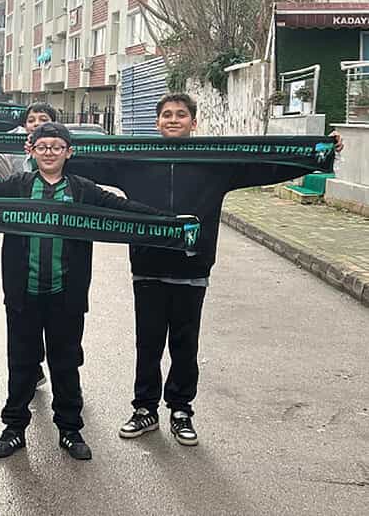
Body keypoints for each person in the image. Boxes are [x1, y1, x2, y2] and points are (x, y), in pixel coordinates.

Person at [76, 93, 344, 447]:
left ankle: (181, 411)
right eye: (167, 115)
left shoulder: (214, 162)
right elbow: (88, 163)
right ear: (157, 122)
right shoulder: (136, 161)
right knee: (148, 344)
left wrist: (316, 155)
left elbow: (267, 165)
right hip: (148, 267)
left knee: (185, 345)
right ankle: (144, 409)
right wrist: (46, 149)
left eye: (181, 114)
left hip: (193, 267)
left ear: (193, 122)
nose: (173, 120)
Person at [0, 122, 173, 461]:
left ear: (69, 152)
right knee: (21, 363)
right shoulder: (18, 186)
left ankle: (70, 429)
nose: (49, 152)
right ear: (31, 150)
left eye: (56, 146)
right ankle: (14, 428)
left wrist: (168, 221)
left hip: (66, 295)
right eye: (43, 146)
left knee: (65, 364)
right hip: (23, 294)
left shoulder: (82, 189)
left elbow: (122, 208)